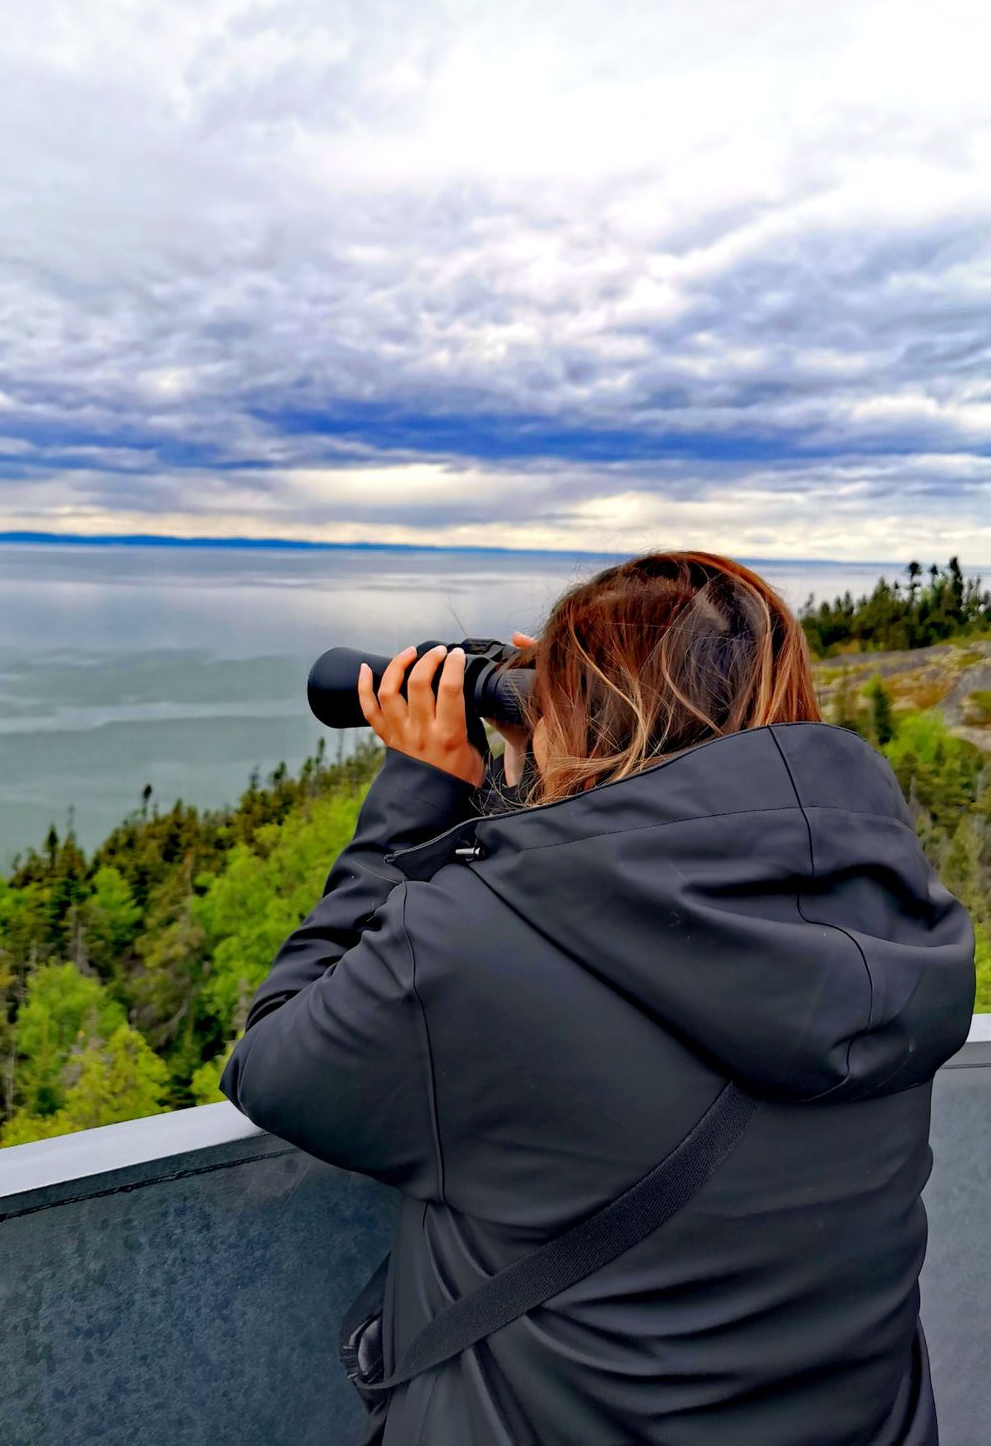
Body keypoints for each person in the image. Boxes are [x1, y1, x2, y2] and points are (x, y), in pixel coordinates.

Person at [220, 550, 976, 1446]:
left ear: (577, 721)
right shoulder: (893, 915)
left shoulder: (470, 951)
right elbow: (627, 889)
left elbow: (273, 1059)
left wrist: (421, 789)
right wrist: (544, 776)